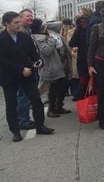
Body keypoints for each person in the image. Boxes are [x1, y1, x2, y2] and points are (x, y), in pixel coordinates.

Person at [0, 11, 54, 142]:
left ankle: (40, 125)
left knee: (36, 100)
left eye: (19, 21)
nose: (19, 25)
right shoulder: (1, 38)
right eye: (16, 22)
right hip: (9, 76)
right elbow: (2, 59)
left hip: (28, 73)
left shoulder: (24, 36)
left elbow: (33, 52)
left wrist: (38, 61)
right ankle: (16, 131)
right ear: (7, 24)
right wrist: (20, 69)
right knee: (11, 104)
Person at [32, 19, 71, 117]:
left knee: (62, 86)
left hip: (61, 65)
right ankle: (51, 109)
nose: (45, 27)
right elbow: (46, 51)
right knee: (53, 89)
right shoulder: (39, 38)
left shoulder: (49, 35)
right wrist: (51, 39)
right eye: (43, 25)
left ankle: (59, 106)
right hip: (52, 67)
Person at [17, 9, 37, 130]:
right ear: (21, 18)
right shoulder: (20, 31)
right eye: (27, 16)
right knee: (23, 95)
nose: (30, 18)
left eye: (31, 15)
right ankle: (23, 121)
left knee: (25, 95)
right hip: (24, 69)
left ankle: (23, 119)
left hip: (30, 67)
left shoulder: (27, 30)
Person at [68, 14, 90, 101]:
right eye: (81, 23)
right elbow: (72, 43)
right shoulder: (81, 31)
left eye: (84, 22)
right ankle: (83, 95)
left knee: (85, 78)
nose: (83, 24)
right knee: (84, 78)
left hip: (84, 58)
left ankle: (83, 94)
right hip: (83, 59)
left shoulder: (81, 31)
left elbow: (72, 43)